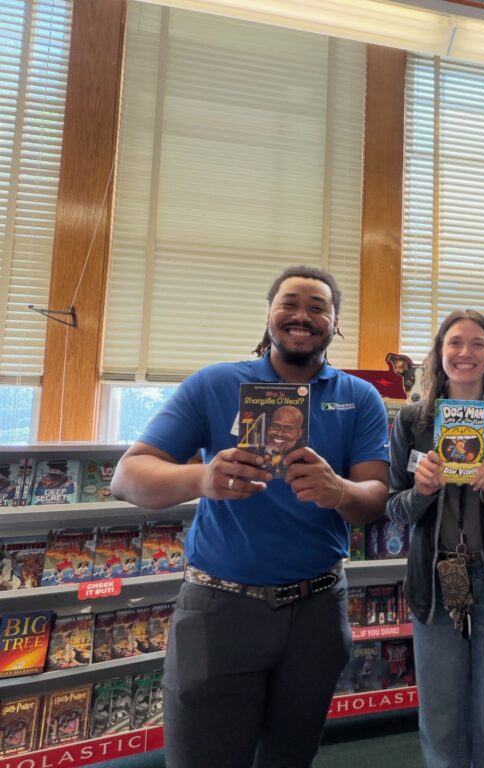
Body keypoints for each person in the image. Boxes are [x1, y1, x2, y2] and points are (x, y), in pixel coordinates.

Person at [111, 265, 390, 768]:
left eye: (318, 307)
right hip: (218, 608)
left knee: (291, 755)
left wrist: (339, 490)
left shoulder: (359, 397)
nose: (302, 316)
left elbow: (374, 499)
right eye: (289, 303)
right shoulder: (215, 383)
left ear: (335, 322)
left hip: (318, 611)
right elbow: (127, 476)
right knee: (202, 756)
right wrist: (201, 479)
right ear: (268, 314)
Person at [387, 309, 484, 768]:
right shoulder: (413, 420)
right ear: (439, 352)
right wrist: (420, 493)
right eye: (455, 342)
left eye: (478, 343)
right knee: (441, 717)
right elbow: (394, 509)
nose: (465, 352)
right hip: (437, 582)